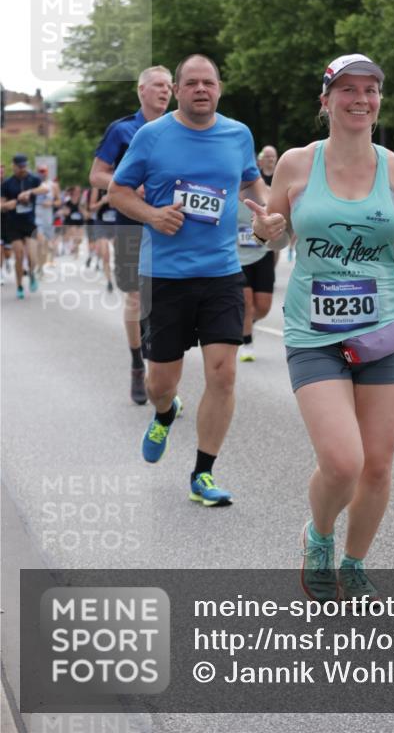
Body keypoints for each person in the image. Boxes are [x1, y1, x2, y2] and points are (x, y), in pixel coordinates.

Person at [247, 53, 394, 602]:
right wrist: (265, 230)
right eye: (348, 89)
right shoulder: (296, 164)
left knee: (377, 467)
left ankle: (354, 563)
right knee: (343, 461)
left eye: (371, 90)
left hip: (380, 328)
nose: (361, 99)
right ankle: (319, 536)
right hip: (314, 332)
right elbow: (275, 233)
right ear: (326, 100)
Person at [109, 53, 267, 507]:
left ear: (219, 89)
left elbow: (254, 183)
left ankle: (203, 473)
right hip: (165, 277)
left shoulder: (238, 134)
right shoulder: (151, 136)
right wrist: (153, 215)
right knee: (161, 382)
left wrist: (269, 212)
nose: (201, 89)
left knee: (223, 374)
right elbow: (117, 191)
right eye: (192, 83)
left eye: (209, 83)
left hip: (221, 273)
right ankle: (165, 411)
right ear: (177, 90)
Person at [89, 65, 173, 403]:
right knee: (137, 298)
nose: (165, 91)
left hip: (170, 224)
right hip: (130, 224)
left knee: (166, 302)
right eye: (157, 85)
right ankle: (138, 364)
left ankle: (161, 374)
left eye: (169, 85)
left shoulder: (181, 128)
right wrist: (125, 186)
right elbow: (96, 175)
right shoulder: (122, 130)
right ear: (141, 90)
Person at [1, 154, 49, 298]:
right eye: (20, 167)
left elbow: (45, 188)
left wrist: (29, 192)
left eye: (25, 166)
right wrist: (11, 203)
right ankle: (19, 286)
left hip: (29, 223)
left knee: (33, 257)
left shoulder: (32, 179)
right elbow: (1, 205)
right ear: (14, 166)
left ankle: (32, 274)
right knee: (19, 256)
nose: (23, 169)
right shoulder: (7, 184)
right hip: (13, 224)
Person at [236, 200, 276, 362]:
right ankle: (247, 344)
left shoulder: (263, 191)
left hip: (262, 254)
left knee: (263, 308)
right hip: (237, 256)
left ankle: (247, 323)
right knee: (246, 302)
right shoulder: (229, 188)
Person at [34, 164, 61, 273]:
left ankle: (41, 266)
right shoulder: (33, 184)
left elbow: (59, 202)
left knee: (44, 245)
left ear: (47, 172)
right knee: (41, 242)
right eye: (40, 171)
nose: (42, 173)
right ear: (37, 172)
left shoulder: (53, 185)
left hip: (48, 219)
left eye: (44, 171)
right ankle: (40, 266)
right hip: (36, 218)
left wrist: (51, 203)